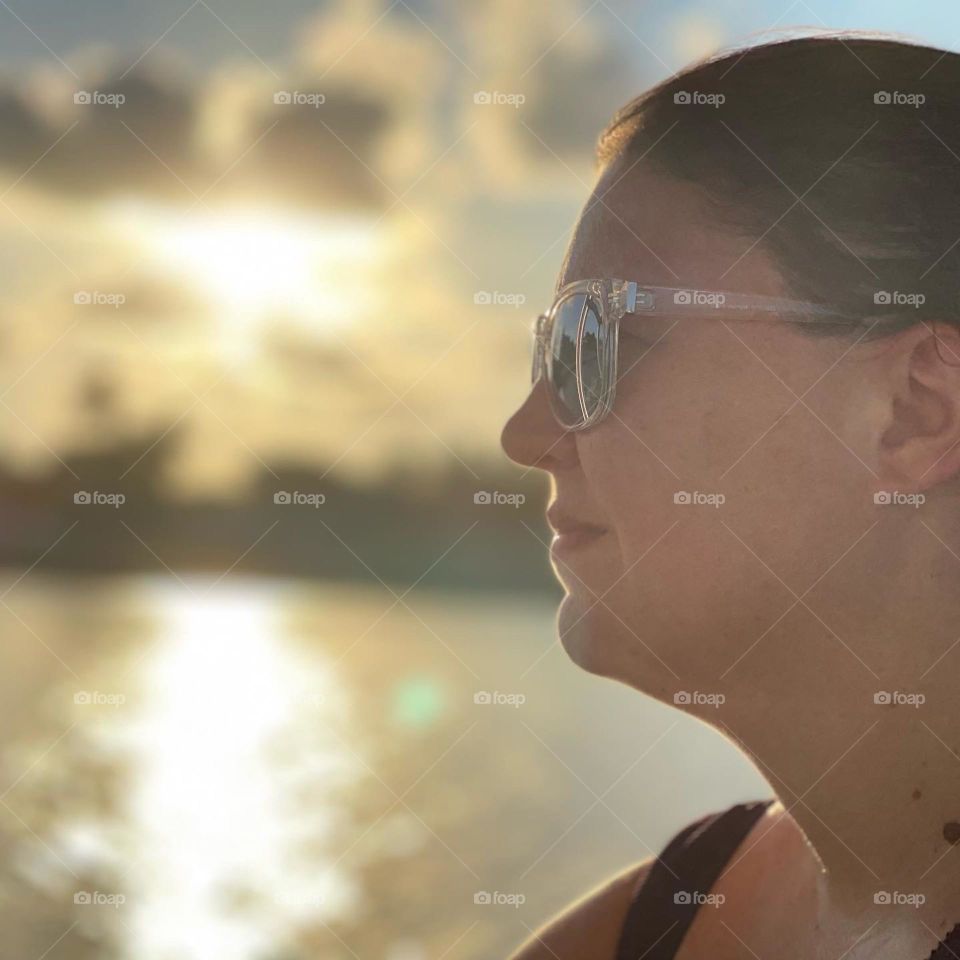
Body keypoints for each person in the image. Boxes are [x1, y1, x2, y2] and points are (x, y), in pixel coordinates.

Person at [500, 31, 960, 960]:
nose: (526, 436)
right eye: (550, 350)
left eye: (598, 340)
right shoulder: (649, 926)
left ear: (915, 409)